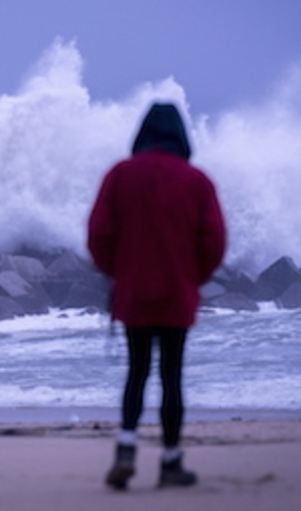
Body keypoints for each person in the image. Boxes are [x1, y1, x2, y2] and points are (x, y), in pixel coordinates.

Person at [87, 102, 226, 490]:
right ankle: (170, 462)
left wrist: (119, 272)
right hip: (176, 294)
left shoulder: (120, 175)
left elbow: (99, 234)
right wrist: (191, 277)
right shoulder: (197, 181)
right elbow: (214, 241)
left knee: (136, 372)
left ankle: (126, 448)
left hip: (134, 292)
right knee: (171, 376)